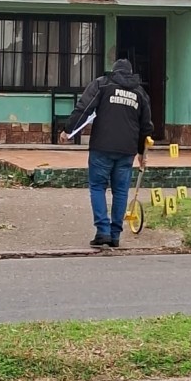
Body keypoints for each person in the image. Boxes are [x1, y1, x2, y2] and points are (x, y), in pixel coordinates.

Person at [60, 59, 153, 248]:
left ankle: (102, 232)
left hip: (102, 147)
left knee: (97, 187)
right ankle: (115, 234)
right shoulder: (140, 93)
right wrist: (142, 152)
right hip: (127, 150)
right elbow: (146, 126)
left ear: (114, 71)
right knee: (120, 191)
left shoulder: (102, 84)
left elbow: (84, 109)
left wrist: (68, 130)